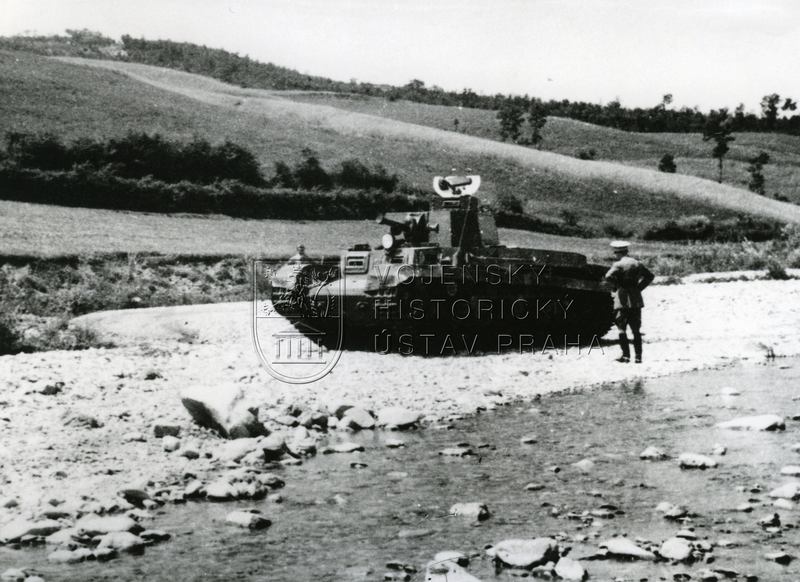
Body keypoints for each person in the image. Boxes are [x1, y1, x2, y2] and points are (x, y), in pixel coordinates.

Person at [604, 241, 655, 363]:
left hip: (622, 298)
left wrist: (617, 285)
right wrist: (639, 288)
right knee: (636, 330)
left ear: (617, 253)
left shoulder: (618, 264)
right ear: (627, 251)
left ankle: (626, 356)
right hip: (636, 299)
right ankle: (638, 357)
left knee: (621, 328)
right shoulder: (637, 263)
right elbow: (650, 276)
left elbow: (608, 276)